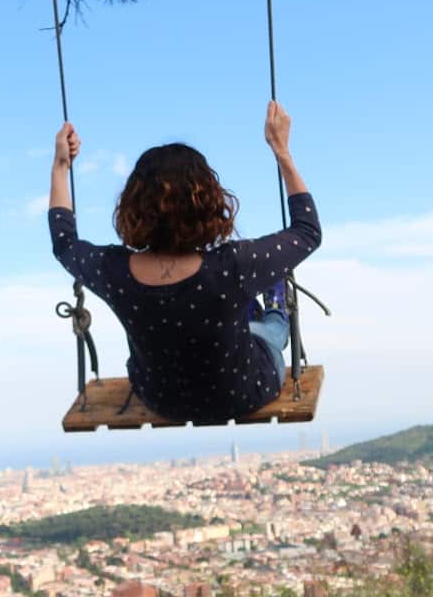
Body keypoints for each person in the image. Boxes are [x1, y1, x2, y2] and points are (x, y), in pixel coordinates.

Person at [47, 101, 321, 424]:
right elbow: (307, 231)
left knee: (235, 324)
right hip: (244, 391)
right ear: (211, 202)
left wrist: (61, 166)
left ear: (132, 206)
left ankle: (247, 309)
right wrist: (282, 151)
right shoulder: (234, 265)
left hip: (161, 398)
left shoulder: (114, 271)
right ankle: (271, 306)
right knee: (271, 331)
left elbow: (64, 243)